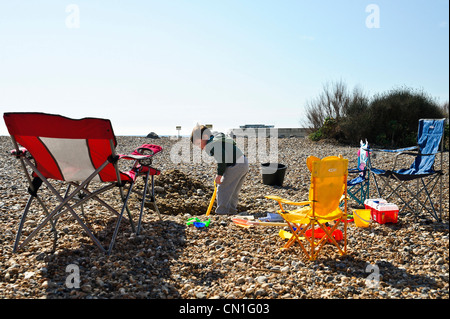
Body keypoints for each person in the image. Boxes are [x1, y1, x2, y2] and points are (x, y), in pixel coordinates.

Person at [191, 124, 248, 215]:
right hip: (243, 162)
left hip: (236, 164)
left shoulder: (212, 144)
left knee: (222, 188)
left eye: (198, 143)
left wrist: (219, 174)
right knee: (233, 190)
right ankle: (232, 211)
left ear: (205, 137)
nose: (199, 147)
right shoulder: (216, 139)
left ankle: (222, 212)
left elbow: (222, 158)